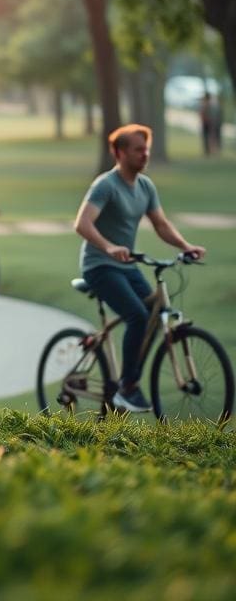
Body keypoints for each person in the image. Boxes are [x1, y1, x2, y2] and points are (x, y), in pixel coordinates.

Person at [74, 124, 205, 413]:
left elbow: (161, 224)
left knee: (154, 315)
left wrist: (185, 246)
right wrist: (108, 247)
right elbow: (82, 224)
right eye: (138, 150)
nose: (145, 155)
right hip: (99, 265)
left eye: (146, 149)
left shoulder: (145, 186)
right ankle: (127, 387)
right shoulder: (106, 185)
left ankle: (127, 382)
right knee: (137, 315)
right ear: (119, 153)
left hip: (126, 265)